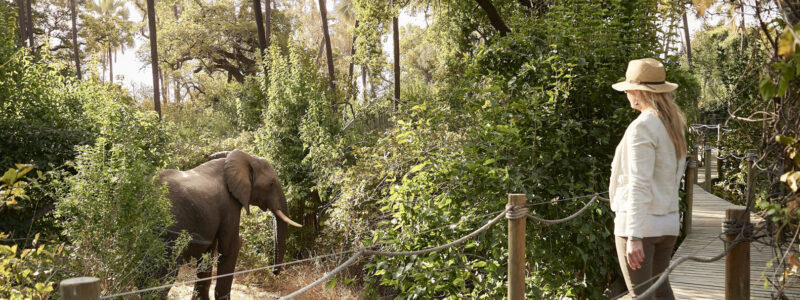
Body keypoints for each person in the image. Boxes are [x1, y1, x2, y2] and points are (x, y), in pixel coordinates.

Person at [609, 58, 687, 299]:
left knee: (643, 296)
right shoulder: (673, 123)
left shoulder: (643, 126)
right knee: (662, 293)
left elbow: (638, 184)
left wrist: (633, 236)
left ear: (636, 91)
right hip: (668, 224)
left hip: (641, 227)